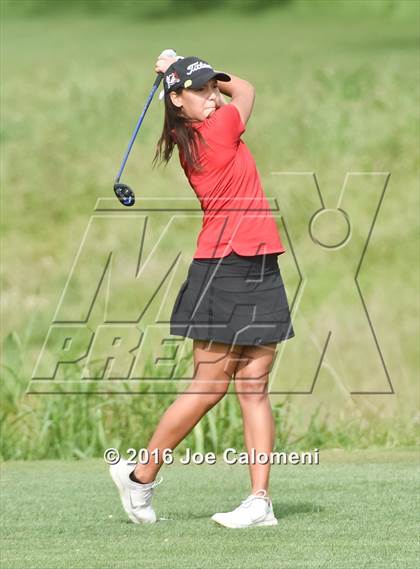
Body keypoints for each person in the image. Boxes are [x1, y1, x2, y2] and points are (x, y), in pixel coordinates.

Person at [109, 53, 295, 529]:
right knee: (209, 386)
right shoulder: (214, 132)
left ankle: (259, 501)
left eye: (214, 87)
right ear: (176, 100)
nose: (214, 95)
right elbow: (247, 89)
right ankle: (140, 474)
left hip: (258, 261)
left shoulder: (196, 128)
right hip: (225, 266)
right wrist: (181, 61)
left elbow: (232, 93)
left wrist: (183, 68)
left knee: (255, 387)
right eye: (202, 90)